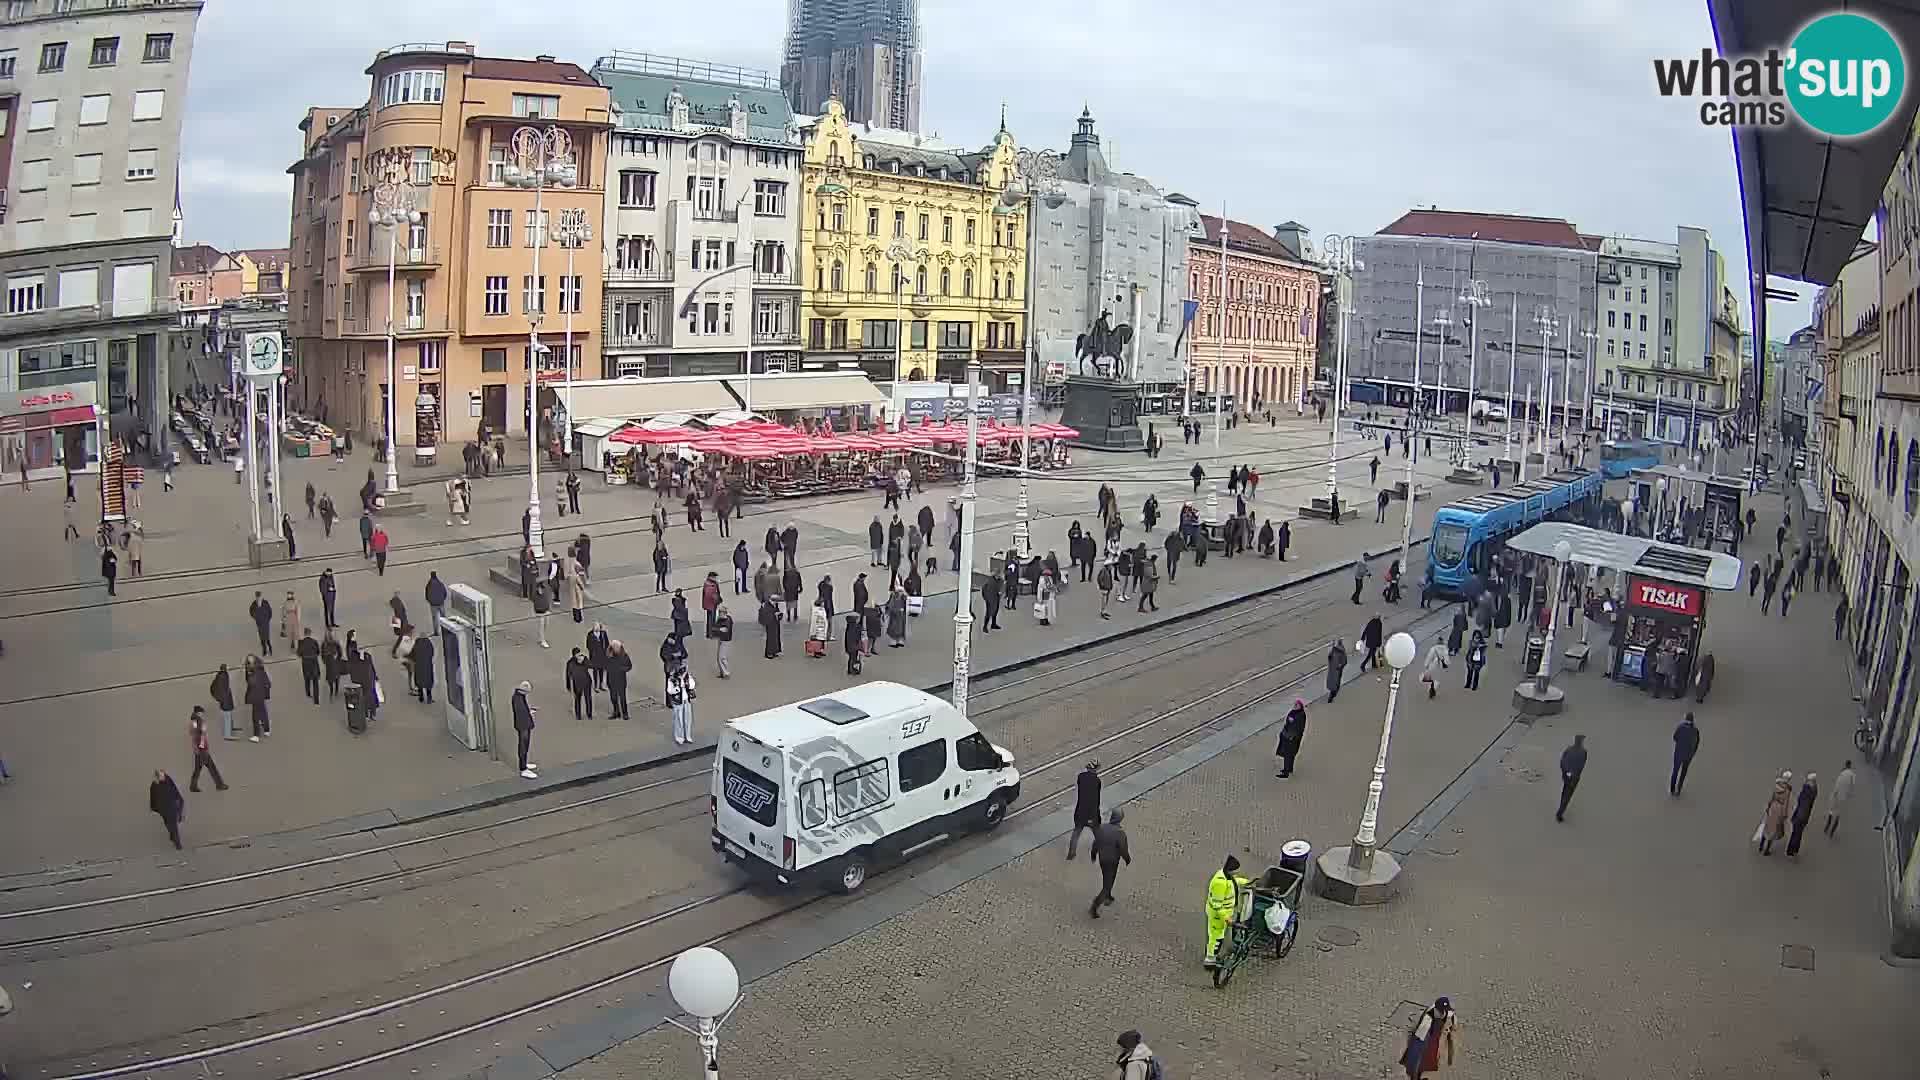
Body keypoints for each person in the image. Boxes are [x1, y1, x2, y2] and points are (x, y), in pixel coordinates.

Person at [1204, 855, 1251, 968]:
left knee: (1219, 934)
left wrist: (1248, 882)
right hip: (1218, 916)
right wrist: (1226, 918)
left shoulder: (1226, 876)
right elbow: (1217, 905)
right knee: (1216, 937)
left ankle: (1212, 956)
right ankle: (1210, 960)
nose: (1235, 874)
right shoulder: (1219, 883)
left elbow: (1235, 882)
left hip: (1225, 913)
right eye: (1234, 872)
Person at [1398, 997, 1457, 1079]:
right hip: (1425, 1042)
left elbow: (1451, 1033)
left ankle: (1419, 1075)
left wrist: (1450, 1055)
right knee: (1418, 1063)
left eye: (1444, 1010)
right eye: (1441, 1010)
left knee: (1429, 1063)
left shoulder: (1449, 1015)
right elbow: (1417, 1038)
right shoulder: (1427, 1020)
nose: (1443, 1012)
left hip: (1435, 1042)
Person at [1088, 808, 1132, 918]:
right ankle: (1095, 906)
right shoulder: (1120, 833)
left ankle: (1108, 896)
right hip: (1112, 861)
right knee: (1108, 882)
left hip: (1102, 859)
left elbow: (1095, 843)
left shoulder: (1102, 828)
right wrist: (1127, 859)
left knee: (1107, 878)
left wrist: (1093, 854)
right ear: (1120, 819)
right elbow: (1123, 849)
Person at [1066, 761, 1102, 858]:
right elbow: (1096, 800)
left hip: (1080, 811)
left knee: (1076, 832)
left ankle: (1071, 853)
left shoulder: (1081, 777)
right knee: (1098, 833)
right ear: (1095, 769)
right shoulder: (1097, 781)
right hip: (1092, 813)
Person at [187, 708, 227, 793]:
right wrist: (201, 747)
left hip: (200, 749)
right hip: (202, 749)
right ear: (198, 713)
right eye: (201, 713)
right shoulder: (196, 722)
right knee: (211, 767)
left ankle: (193, 786)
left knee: (198, 768)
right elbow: (196, 735)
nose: (203, 714)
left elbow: (197, 734)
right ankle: (219, 785)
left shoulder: (196, 721)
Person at [150, 769, 186, 850]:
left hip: (172, 807)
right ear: (158, 777)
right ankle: (172, 835)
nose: (164, 777)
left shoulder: (168, 779)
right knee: (168, 824)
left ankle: (178, 844)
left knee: (173, 825)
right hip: (163, 809)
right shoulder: (154, 785)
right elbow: (152, 798)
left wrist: (179, 798)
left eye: (164, 775)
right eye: (162, 776)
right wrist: (154, 808)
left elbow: (174, 789)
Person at [1786, 773, 1819, 857]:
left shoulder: (1806, 791)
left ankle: (1790, 850)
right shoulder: (1814, 790)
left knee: (1795, 833)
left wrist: (1796, 817)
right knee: (1799, 833)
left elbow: (1802, 803)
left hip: (1800, 816)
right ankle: (1795, 849)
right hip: (1805, 816)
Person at [1556, 734, 1587, 822]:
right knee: (1568, 793)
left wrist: (1564, 772)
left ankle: (1561, 808)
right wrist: (1575, 774)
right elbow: (1581, 766)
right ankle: (1561, 811)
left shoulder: (1569, 750)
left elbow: (1562, 761)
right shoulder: (1583, 752)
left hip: (1568, 774)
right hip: (1574, 777)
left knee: (1566, 790)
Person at [666, 661, 698, 745]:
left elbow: (692, 685)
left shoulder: (687, 677)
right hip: (677, 701)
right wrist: (677, 688)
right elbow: (669, 690)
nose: (684, 672)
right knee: (678, 719)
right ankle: (679, 737)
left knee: (688, 718)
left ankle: (688, 736)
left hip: (686, 700)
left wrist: (687, 683)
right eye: (682, 670)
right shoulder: (672, 679)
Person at [512, 681, 538, 779]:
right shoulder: (518, 699)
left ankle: (524, 764)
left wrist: (529, 710)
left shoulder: (519, 696)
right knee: (523, 745)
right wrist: (529, 714)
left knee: (525, 745)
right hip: (523, 726)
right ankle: (523, 769)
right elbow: (521, 713)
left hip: (524, 724)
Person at [1275, 699, 1307, 778]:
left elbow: (1298, 728)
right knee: (1290, 754)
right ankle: (1289, 769)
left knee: (1288, 755)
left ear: (1300, 706)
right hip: (1288, 736)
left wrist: (1291, 736)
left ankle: (1286, 773)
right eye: (1295, 704)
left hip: (1292, 738)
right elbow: (1288, 722)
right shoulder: (1294, 712)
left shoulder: (1301, 715)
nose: (1295, 705)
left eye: (1297, 705)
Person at [1670, 713, 1701, 795]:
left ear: (1685, 718)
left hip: (1678, 753)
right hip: (1688, 756)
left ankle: (1672, 789)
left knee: (1675, 771)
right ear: (1693, 720)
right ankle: (1678, 790)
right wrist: (1692, 753)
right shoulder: (1695, 730)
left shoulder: (1680, 727)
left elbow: (1675, 737)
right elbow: (1697, 743)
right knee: (1683, 772)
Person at [244, 654, 272, 741]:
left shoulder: (255, 672)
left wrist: (249, 675)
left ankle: (256, 735)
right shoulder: (260, 669)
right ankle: (267, 730)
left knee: (255, 715)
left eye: (251, 661)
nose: (250, 663)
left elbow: (251, 683)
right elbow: (268, 683)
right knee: (263, 712)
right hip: (261, 695)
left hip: (255, 695)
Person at [1826, 760, 1857, 836]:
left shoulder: (1842, 773)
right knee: (1838, 814)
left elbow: (1837, 783)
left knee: (1831, 810)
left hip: (1836, 794)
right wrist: (1850, 795)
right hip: (1843, 797)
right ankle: (1832, 832)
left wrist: (1834, 793)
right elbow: (1852, 787)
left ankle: (1827, 826)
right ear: (1850, 766)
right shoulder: (1853, 775)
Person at [605, 640, 633, 719]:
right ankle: (616, 712)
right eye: (614, 647)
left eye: (617, 647)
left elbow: (629, 666)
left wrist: (621, 669)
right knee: (613, 698)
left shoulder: (624, 656)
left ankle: (625, 713)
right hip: (611, 680)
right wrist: (608, 668)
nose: (616, 648)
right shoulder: (608, 655)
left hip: (621, 680)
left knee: (622, 698)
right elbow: (605, 664)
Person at [566, 648, 594, 721]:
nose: (579, 655)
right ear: (574, 655)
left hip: (586, 682)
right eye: (577, 654)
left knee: (588, 698)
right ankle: (578, 715)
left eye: (579, 653)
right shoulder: (570, 663)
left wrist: (584, 661)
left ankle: (589, 714)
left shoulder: (585, 659)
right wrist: (568, 686)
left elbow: (591, 666)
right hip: (577, 684)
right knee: (577, 699)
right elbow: (568, 675)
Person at [297, 629, 322, 704]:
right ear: (310, 633)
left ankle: (308, 693)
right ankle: (316, 699)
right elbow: (318, 652)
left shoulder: (301, 642)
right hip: (314, 662)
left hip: (306, 663)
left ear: (304, 633)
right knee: (315, 681)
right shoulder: (314, 641)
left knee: (307, 679)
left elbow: (299, 653)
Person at [248, 591, 274, 656]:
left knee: (267, 636)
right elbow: (251, 611)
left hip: (265, 622)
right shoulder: (254, 604)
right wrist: (256, 618)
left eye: (259, 596)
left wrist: (268, 619)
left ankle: (270, 648)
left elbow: (270, 611)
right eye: (257, 596)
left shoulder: (265, 603)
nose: (258, 598)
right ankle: (264, 649)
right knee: (261, 637)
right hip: (259, 623)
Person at [713, 602, 735, 678]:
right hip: (721, 639)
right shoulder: (722, 619)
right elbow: (715, 628)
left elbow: (723, 630)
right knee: (719, 657)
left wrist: (718, 629)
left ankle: (726, 672)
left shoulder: (727, 621)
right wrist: (718, 629)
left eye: (720, 613)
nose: (719, 614)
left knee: (722, 657)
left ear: (724, 613)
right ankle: (723, 672)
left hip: (725, 640)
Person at [320, 631, 343, 701]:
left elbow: (322, 654)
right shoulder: (328, 644)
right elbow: (322, 654)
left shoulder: (328, 644)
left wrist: (324, 660)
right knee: (334, 677)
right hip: (331, 663)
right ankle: (333, 690)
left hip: (332, 663)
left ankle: (334, 690)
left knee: (333, 677)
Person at [843, 611, 865, 675]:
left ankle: (851, 668)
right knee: (853, 658)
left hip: (849, 645)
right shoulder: (855, 627)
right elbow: (857, 636)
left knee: (851, 658)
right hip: (854, 645)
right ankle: (851, 670)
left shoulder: (849, 626)